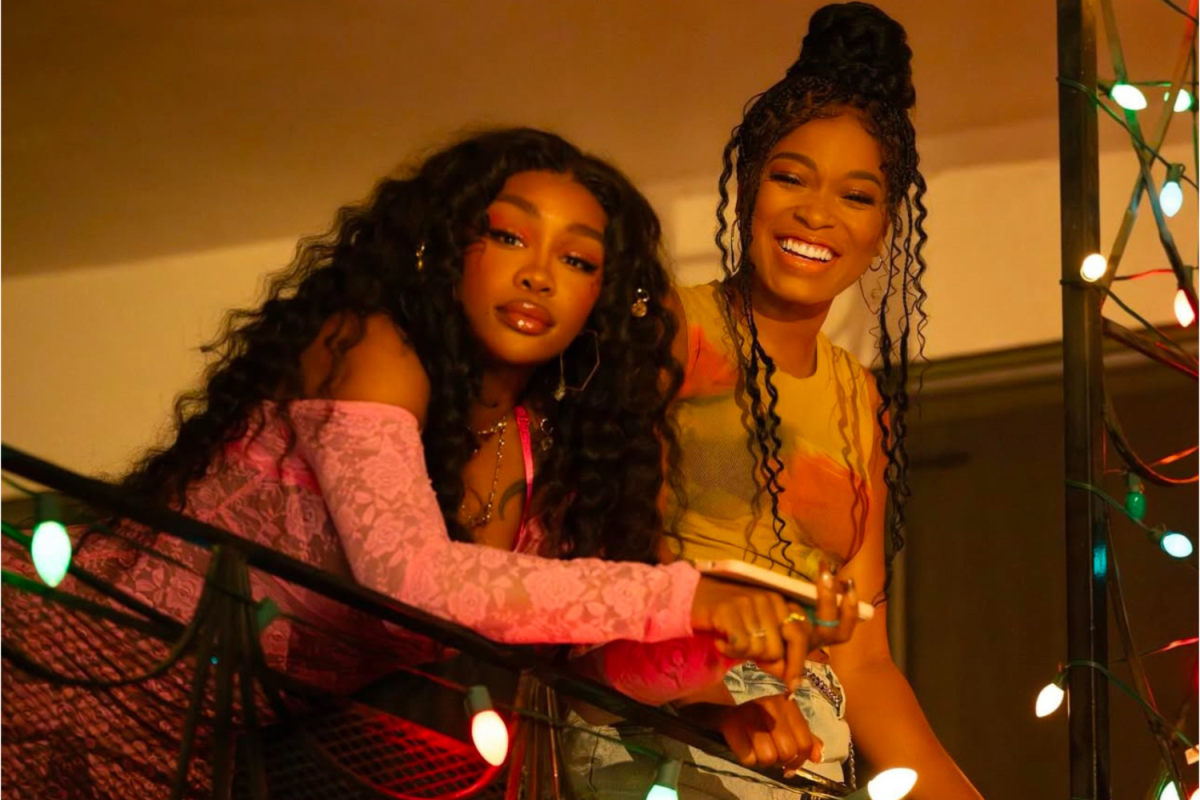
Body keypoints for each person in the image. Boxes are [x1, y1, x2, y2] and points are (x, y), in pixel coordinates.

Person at [1, 128, 819, 798]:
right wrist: (688, 595)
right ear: (449, 248)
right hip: (76, 675)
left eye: (577, 260)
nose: (538, 272)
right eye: (507, 235)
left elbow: (572, 671)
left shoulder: (553, 455)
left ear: (598, 301)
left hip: (236, 747)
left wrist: (712, 687)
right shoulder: (372, 348)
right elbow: (412, 580)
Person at [565, 5, 984, 798]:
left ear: (885, 226)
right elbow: (606, 569)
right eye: (792, 177)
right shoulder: (665, 333)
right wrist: (713, 700)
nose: (816, 214)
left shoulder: (859, 402)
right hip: (657, 724)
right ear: (750, 182)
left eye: (856, 197)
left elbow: (862, 662)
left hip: (803, 756)